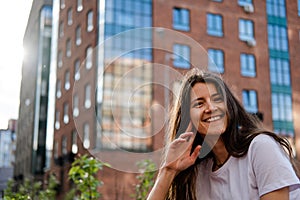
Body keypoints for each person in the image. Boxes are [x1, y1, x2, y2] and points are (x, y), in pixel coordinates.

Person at [147, 68, 300, 199]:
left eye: (217, 99)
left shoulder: (261, 147)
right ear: (188, 118)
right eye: (199, 103)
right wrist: (168, 170)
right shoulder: (200, 172)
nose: (211, 107)